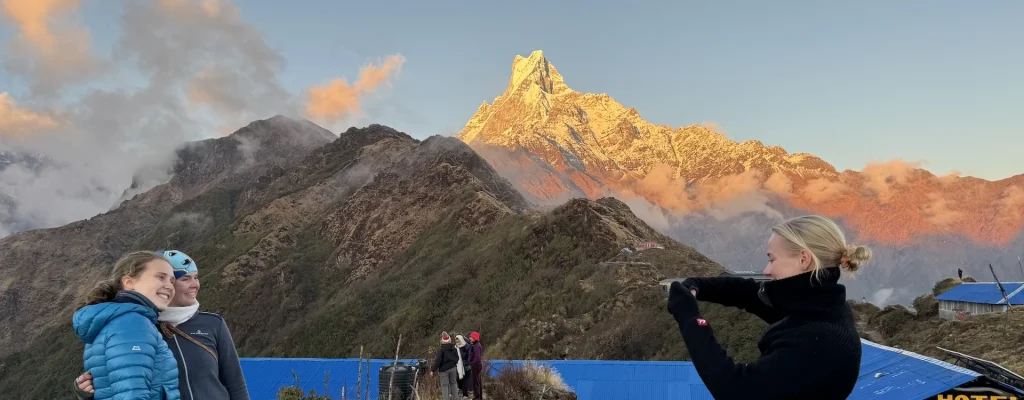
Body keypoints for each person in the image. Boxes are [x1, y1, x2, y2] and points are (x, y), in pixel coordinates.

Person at [667, 215, 870, 399]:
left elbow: (735, 389)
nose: (767, 270)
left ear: (803, 259)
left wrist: (690, 318)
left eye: (772, 259)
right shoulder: (825, 308)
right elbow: (752, 295)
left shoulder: (816, 341)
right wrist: (699, 286)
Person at [74, 250, 249, 400]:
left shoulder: (212, 323)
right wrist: (86, 392)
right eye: (185, 279)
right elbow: (124, 382)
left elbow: (235, 383)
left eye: (196, 278)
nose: (194, 285)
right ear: (130, 282)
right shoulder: (141, 325)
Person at [72, 251, 182, 400]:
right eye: (160, 277)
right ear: (129, 282)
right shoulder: (132, 324)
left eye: (172, 281)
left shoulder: (114, 319)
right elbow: (132, 393)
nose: (169, 286)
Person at [429, 331, 461, 400]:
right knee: (454, 383)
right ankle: (455, 398)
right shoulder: (454, 349)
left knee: (444, 385)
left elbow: (438, 361)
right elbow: (457, 358)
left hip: (444, 370)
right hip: (453, 368)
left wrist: (432, 370)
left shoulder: (441, 350)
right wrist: (453, 364)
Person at [467, 331, 484, 400]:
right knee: (478, 382)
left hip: (476, 366)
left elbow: (477, 358)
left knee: (475, 383)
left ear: (474, 338)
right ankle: (479, 397)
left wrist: (471, 363)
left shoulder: (476, 346)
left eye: (471, 337)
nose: (469, 338)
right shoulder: (475, 345)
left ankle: (477, 397)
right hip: (477, 366)